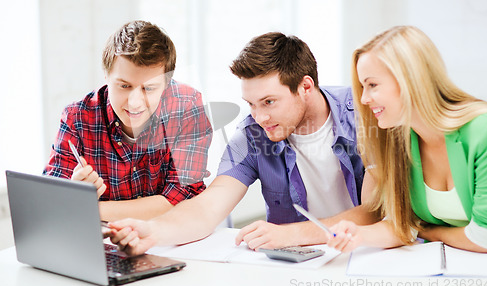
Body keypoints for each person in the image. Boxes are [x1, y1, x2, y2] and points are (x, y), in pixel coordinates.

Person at [108, 32, 379, 256]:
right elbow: (208, 206)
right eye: (251, 103)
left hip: (372, 254)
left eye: (269, 102)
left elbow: (378, 211)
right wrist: (153, 232)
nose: (260, 117)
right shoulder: (253, 133)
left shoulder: (365, 115)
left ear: (305, 87)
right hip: (302, 265)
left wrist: (290, 234)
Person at [326, 25, 487, 253]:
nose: (364, 98)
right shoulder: (399, 138)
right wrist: (359, 234)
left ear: (410, 79)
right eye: (362, 87)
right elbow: (402, 225)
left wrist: (429, 232)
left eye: (372, 85)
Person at [43, 20, 213, 222]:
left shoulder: (187, 107)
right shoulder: (77, 117)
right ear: (106, 76)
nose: (135, 102)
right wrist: (72, 193)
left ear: (167, 84)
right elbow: (51, 202)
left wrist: (89, 208)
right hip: (106, 242)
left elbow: (183, 196)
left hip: (168, 237)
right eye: (124, 86)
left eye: (148, 88)